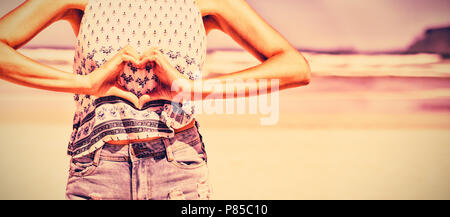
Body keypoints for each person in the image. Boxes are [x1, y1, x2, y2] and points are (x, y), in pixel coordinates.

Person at [0, 0, 311, 200]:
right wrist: (86, 83)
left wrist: (191, 88)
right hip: (99, 170)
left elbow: (293, 67)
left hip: (178, 166)